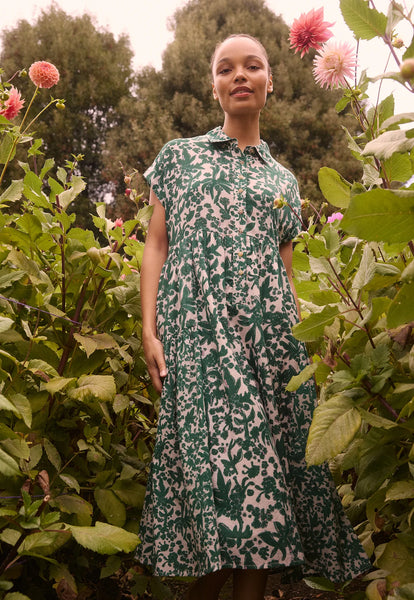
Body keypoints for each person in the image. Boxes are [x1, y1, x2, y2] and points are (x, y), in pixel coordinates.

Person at [137, 33, 371, 600]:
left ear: (271, 82)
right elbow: (157, 245)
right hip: (199, 341)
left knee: (266, 495)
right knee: (223, 492)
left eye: (252, 66)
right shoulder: (179, 157)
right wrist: (149, 330)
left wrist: (305, 352)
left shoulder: (283, 182)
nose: (239, 75)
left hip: (270, 348)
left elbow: (285, 277)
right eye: (225, 68)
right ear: (214, 86)